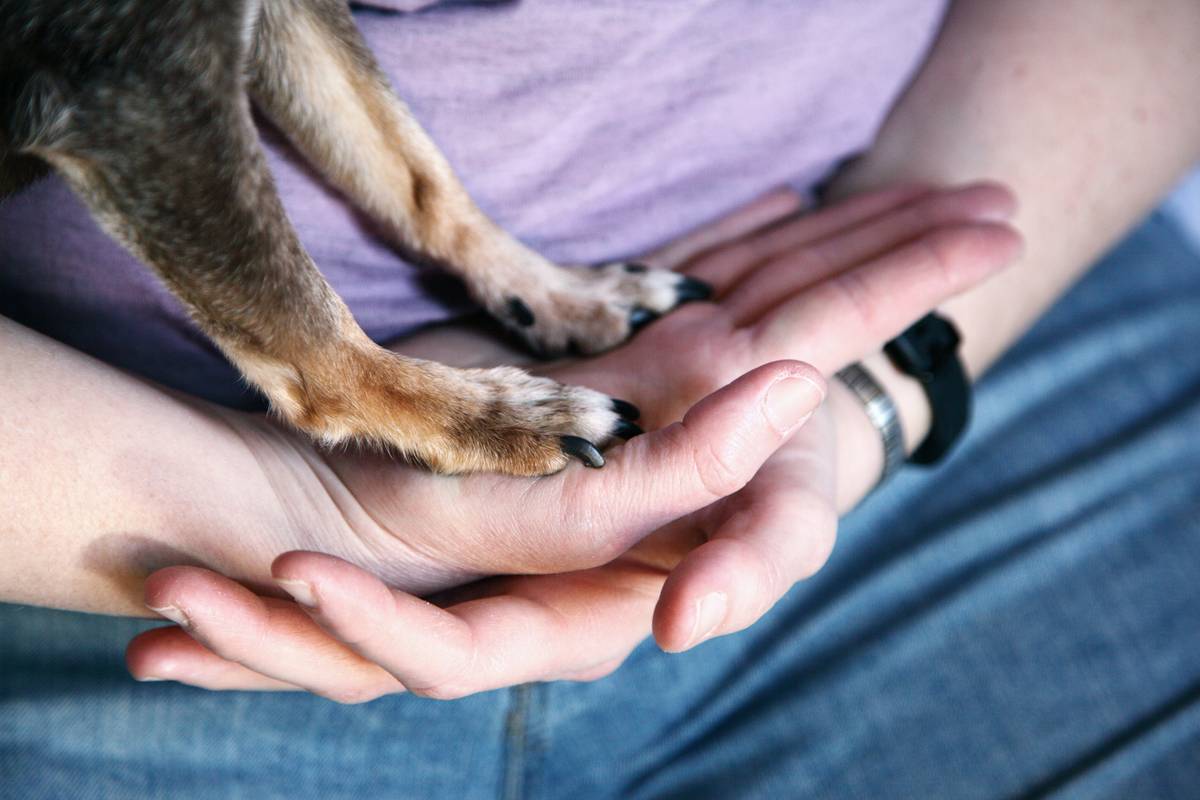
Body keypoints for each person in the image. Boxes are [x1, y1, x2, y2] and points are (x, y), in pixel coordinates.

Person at [2, 1, 1198, 797]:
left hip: (981, 306)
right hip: (116, 547)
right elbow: (127, 66)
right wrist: (294, 490)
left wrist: (869, 377)